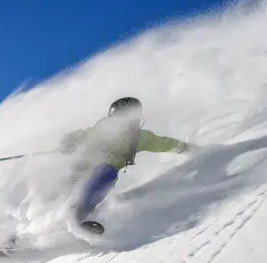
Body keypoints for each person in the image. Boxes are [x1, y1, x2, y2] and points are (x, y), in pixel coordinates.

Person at [59, 97, 192, 232]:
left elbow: (163, 143)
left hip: (103, 174)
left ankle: (78, 216)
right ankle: (52, 216)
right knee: (68, 186)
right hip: (82, 168)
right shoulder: (101, 129)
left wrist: (186, 148)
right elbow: (81, 135)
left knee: (105, 172)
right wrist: (67, 142)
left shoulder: (139, 138)